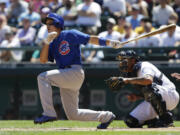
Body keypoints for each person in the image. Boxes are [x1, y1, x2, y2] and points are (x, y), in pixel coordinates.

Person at [33, 12, 121, 129]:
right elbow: (43, 60)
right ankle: (106, 116)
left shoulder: (70, 34)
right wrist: (46, 43)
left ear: (58, 24)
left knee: (42, 77)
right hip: (65, 76)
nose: (47, 26)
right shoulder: (52, 43)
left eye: (51, 23)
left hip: (74, 72)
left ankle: (49, 113)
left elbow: (90, 39)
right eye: (46, 24)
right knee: (73, 114)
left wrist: (109, 42)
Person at [106, 50, 179, 128]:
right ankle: (155, 121)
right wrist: (137, 96)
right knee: (130, 121)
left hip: (170, 95)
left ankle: (166, 120)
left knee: (148, 87)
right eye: (120, 61)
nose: (121, 63)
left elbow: (148, 80)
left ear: (133, 60)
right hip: (157, 100)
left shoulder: (144, 65)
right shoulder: (130, 74)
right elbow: (151, 92)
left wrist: (126, 80)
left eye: (124, 60)